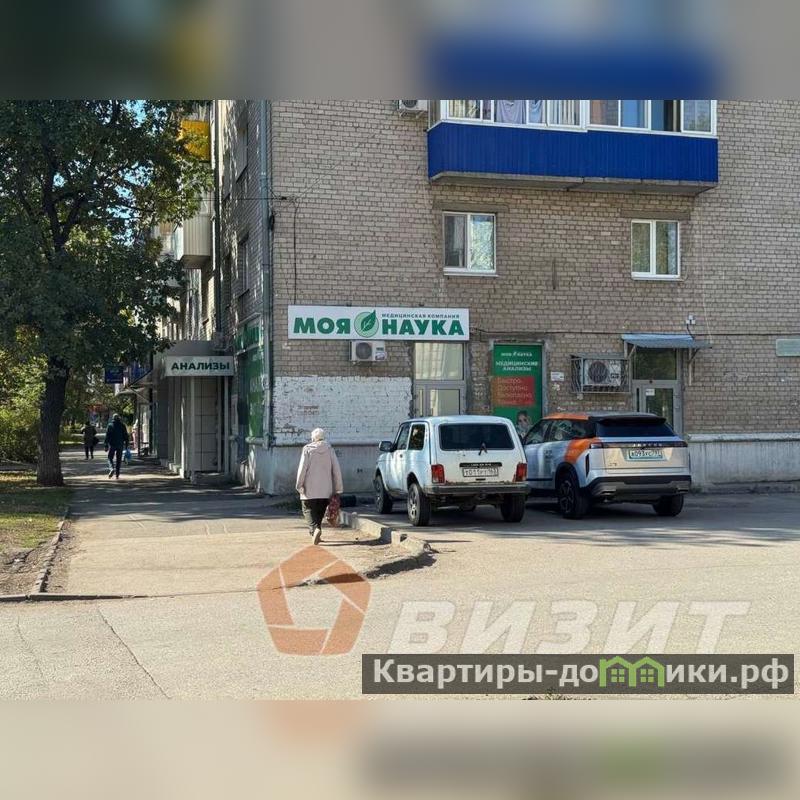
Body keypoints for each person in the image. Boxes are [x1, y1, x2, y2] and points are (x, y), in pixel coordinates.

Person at [296, 428, 343, 545]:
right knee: (320, 511)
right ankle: (317, 531)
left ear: (313, 438)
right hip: (326, 489)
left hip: (309, 488)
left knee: (307, 509)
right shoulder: (330, 449)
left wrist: (299, 485)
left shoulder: (307, 449)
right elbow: (336, 470)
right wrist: (338, 488)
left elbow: (302, 469)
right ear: (323, 437)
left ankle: (314, 530)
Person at [105, 413, 129, 480]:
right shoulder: (122, 425)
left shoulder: (110, 425)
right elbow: (126, 436)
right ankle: (117, 475)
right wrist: (127, 445)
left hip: (112, 444)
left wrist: (106, 445)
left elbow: (107, 436)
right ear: (119, 418)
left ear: (113, 418)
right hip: (120, 445)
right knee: (119, 460)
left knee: (110, 458)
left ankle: (111, 468)